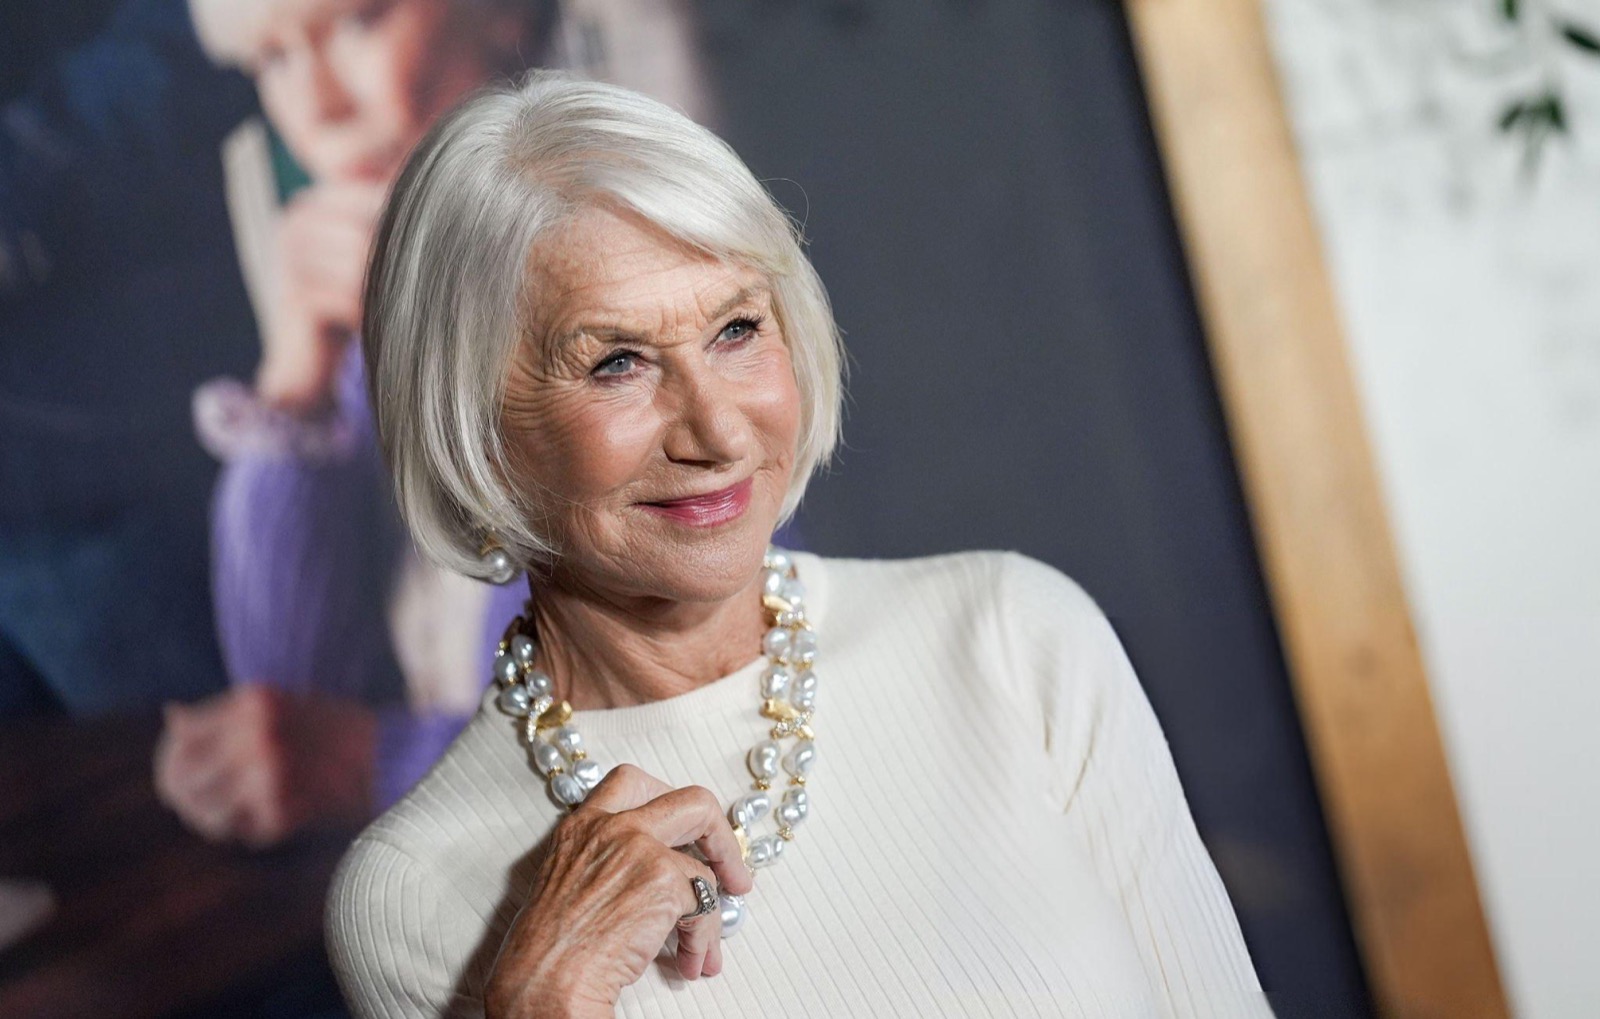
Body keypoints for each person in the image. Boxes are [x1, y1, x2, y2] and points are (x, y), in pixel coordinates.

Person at [325, 71, 1271, 1018]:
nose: (718, 430)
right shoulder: (412, 894)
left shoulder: (1012, 636)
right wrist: (543, 997)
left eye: (737, 328)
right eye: (617, 362)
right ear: (472, 427)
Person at [153, 0, 728, 848]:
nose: (316, 107)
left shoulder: (653, 301)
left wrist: (372, 764)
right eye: (272, 61)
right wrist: (298, 375)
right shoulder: (396, 275)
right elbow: (293, 710)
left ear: (501, 13)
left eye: (359, 21)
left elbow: (650, 772)